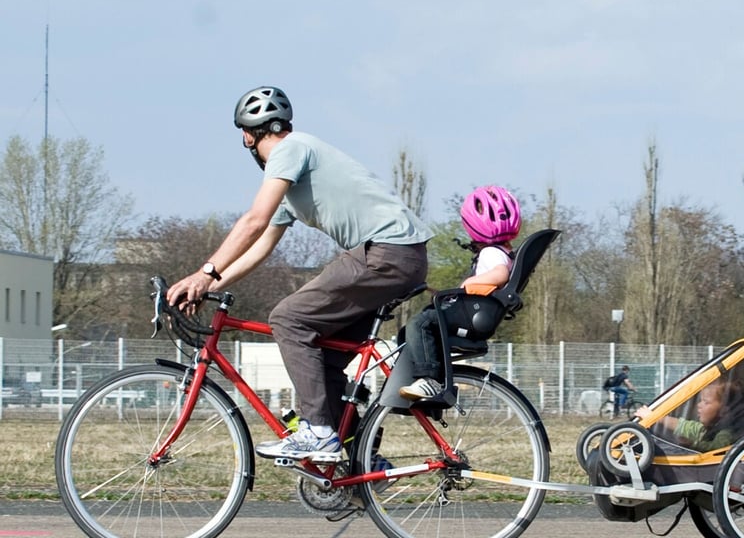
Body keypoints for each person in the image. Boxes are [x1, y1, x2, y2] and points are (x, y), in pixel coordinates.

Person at [167, 86, 433, 460]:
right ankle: (358, 462)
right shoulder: (292, 179)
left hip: (386, 252)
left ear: (248, 135)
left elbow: (254, 221)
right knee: (321, 355)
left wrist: (203, 272)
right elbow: (261, 248)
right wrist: (209, 285)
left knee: (288, 319)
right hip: (395, 256)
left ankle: (318, 432)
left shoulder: (290, 150)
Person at [398, 185, 521, 401]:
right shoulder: (504, 252)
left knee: (420, 324)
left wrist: (468, 284)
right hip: (473, 311)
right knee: (412, 332)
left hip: (470, 314)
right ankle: (427, 386)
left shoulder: (492, 252)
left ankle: (429, 380)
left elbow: (499, 275)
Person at [635, 379, 741, 453]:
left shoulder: (726, 433)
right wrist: (655, 417)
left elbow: (716, 448)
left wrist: (692, 444)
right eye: (700, 400)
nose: (699, 405)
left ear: (724, 410)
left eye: (706, 402)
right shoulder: (709, 428)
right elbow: (684, 426)